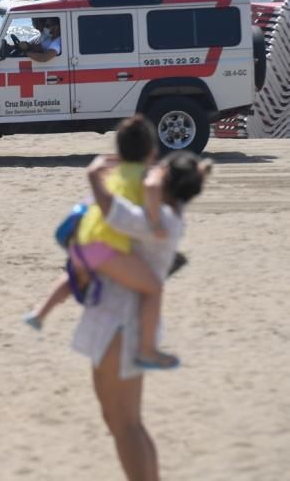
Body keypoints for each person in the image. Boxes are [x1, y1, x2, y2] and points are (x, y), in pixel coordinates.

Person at [72, 151, 211, 480]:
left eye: (157, 173)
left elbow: (108, 208)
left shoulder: (153, 221)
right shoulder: (164, 216)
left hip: (120, 324)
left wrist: (94, 176)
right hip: (123, 323)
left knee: (126, 425)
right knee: (123, 422)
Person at [24, 114, 178, 369]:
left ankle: (39, 313)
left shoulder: (112, 174)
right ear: (151, 151)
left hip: (81, 241)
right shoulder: (145, 176)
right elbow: (149, 204)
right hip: (104, 247)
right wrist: (157, 225)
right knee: (153, 288)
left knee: (72, 278)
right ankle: (147, 350)